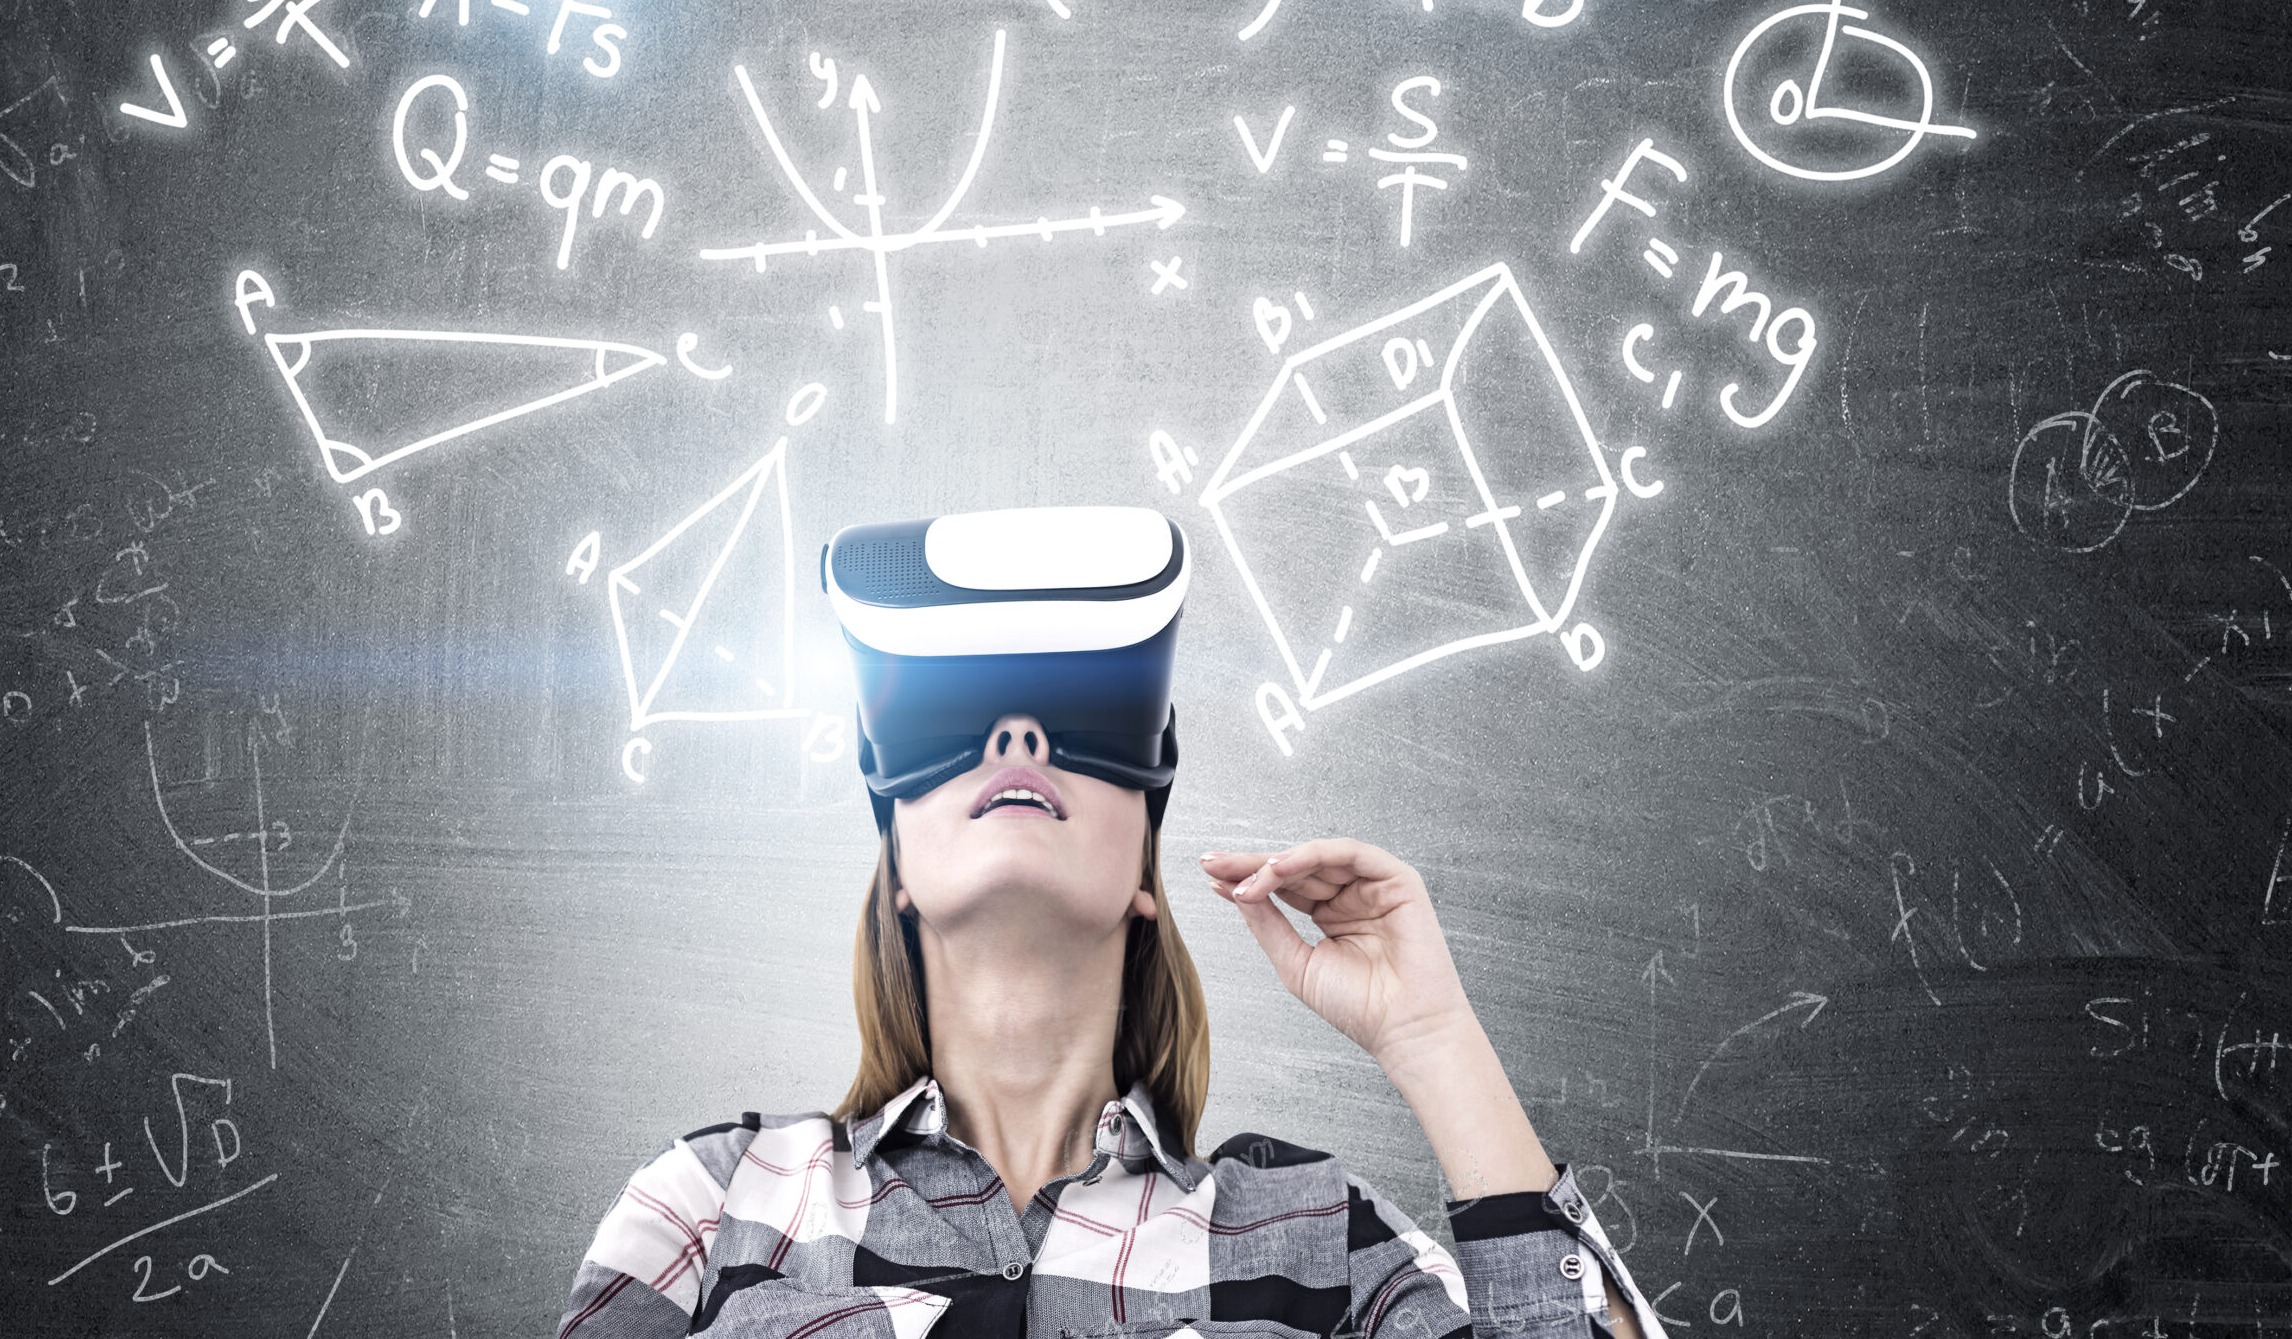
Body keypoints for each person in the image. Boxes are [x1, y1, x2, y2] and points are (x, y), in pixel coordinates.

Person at [556, 509, 1664, 1339]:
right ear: (895, 865)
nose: (1020, 741)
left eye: (1081, 721)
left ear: (1145, 864)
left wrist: (1432, 1037)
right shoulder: (717, 1200)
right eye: (952, 721)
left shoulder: (1320, 1236)